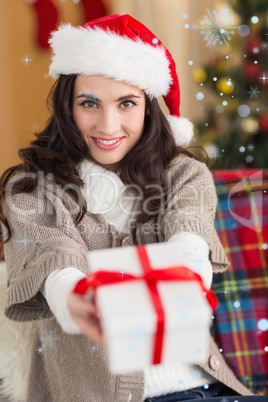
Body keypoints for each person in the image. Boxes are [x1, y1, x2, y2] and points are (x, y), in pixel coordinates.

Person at [0, 13, 266, 402]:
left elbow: (189, 233)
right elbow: (52, 254)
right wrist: (74, 296)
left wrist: (187, 273)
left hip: (201, 386)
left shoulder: (185, 175)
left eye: (126, 103)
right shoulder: (31, 187)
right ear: (67, 108)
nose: (108, 126)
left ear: (148, 107)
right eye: (89, 103)